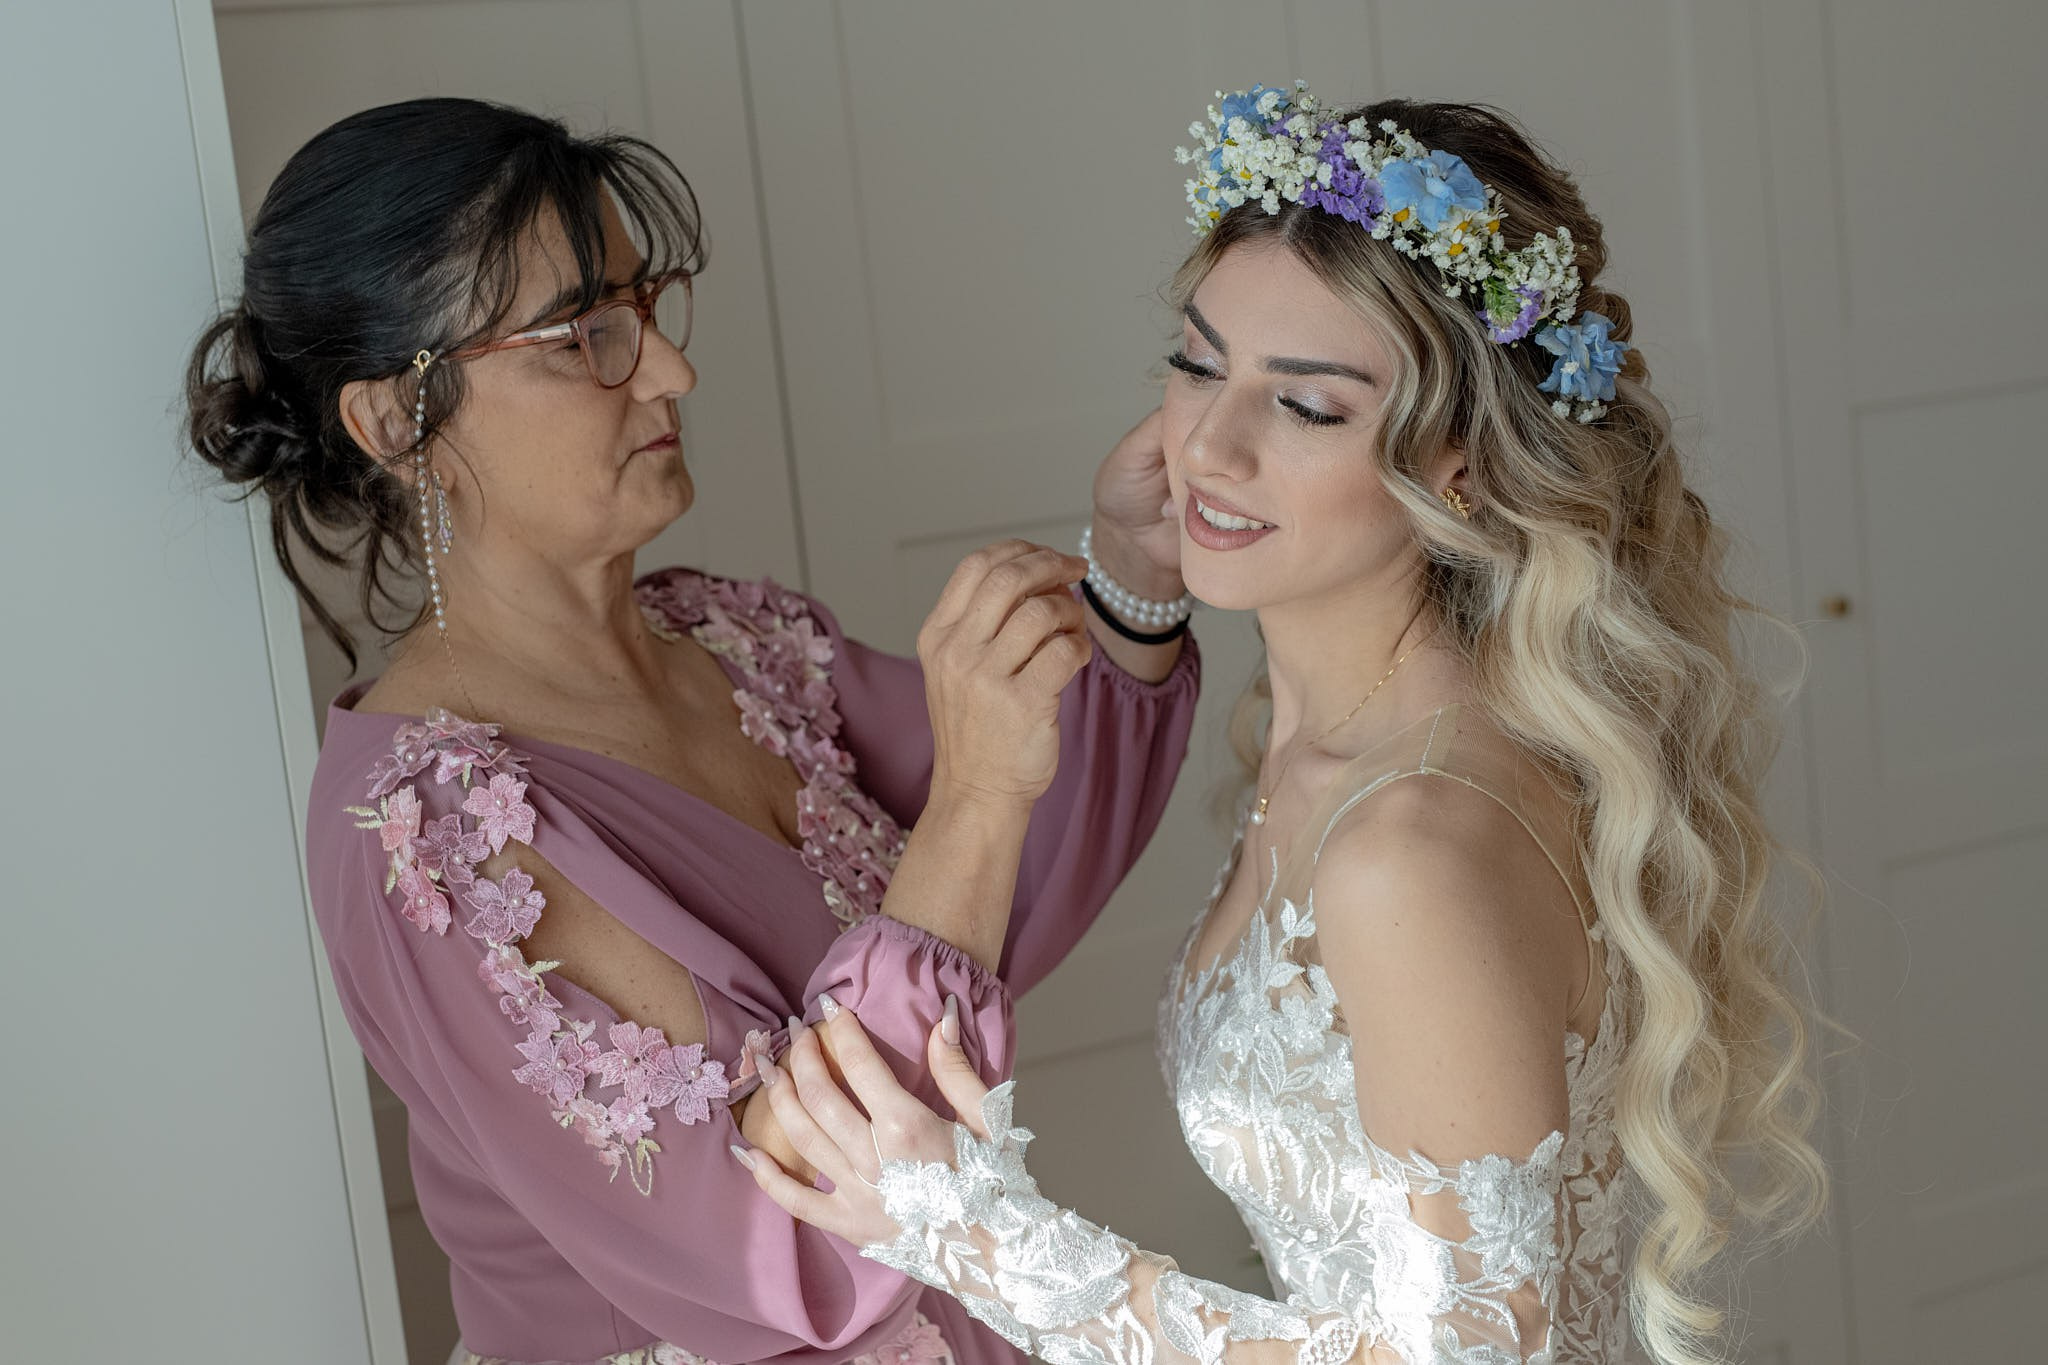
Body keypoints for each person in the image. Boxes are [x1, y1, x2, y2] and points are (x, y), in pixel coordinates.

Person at [742, 87, 1829, 1365]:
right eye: (1198, 366)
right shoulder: (1329, 749)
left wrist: (964, 1228)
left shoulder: (1406, 850)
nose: (1208, 446)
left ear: (1454, 465)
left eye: (1303, 406)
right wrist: (1134, 569)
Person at [183, 98, 1202, 1365]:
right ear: (395, 422)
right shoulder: (430, 837)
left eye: (649, 312)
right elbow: (785, 1247)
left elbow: (1019, 879)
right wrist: (975, 799)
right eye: (584, 336)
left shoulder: (733, 640)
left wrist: (1136, 575)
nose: (670, 371)